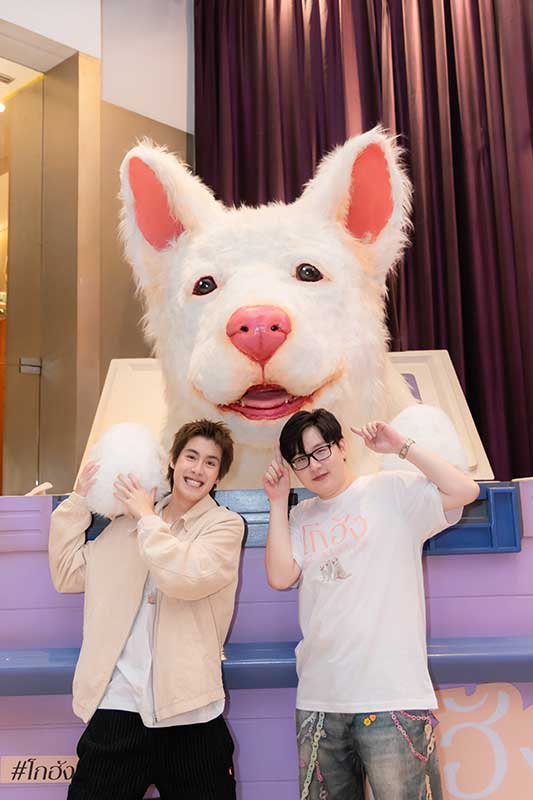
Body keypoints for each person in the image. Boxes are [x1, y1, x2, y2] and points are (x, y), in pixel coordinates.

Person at [263, 409, 479, 800]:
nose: (314, 465)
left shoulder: (390, 490)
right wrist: (278, 503)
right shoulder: (301, 516)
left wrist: (401, 447)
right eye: (301, 460)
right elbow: (279, 577)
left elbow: (465, 491)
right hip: (320, 701)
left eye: (321, 451)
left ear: (342, 446)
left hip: (393, 697)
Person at [49, 419, 245, 800]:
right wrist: (79, 500)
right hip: (118, 708)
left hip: (190, 714)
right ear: (172, 460)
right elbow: (67, 572)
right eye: (191, 457)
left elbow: (181, 578)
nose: (197, 469)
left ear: (219, 475)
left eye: (210, 462)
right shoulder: (124, 527)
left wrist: (146, 518)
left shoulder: (223, 527)